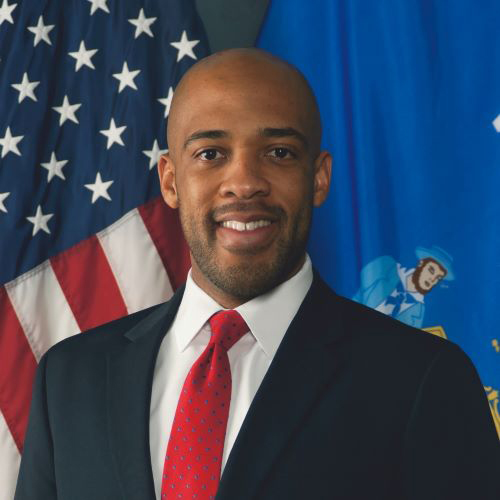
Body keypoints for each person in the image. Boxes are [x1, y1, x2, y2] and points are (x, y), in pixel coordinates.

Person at [15, 49, 499, 500]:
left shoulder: (422, 379)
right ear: (170, 180)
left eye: (280, 153)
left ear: (319, 177)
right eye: (210, 153)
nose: (244, 182)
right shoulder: (69, 378)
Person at [353, 245, 455, 328]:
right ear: (421, 263)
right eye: (431, 270)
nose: (432, 279)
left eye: (438, 278)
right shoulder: (386, 266)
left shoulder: (419, 311)